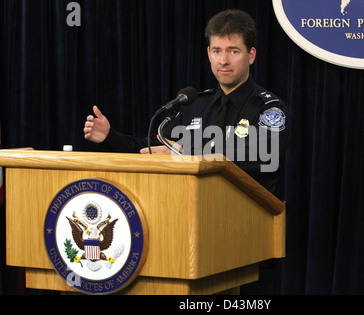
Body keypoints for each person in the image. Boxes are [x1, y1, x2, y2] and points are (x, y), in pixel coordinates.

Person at [83, 9, 287, 294]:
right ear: (208, 53)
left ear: (251, 55)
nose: (223, 60)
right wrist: (110, 136)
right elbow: (154, 150)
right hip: (189, 239)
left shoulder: (268, 108)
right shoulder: (193, 105)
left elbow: (260, 158)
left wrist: (186, 154)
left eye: (233, 51)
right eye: (216, 51)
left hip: (244, 242)